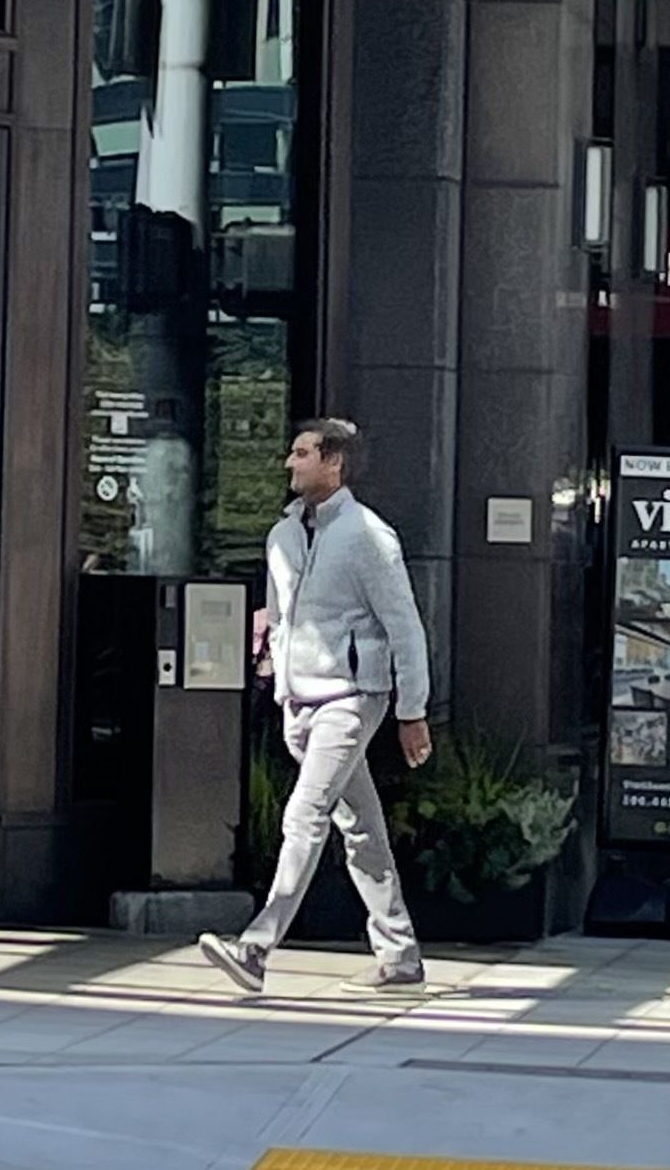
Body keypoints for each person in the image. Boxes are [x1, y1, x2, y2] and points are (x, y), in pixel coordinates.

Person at [198, 418, 431, 996]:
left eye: (302, 453)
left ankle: (256, 948)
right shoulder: (282, 536)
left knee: (304, 816)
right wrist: (277, 681)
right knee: (361, 829)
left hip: (351, 698)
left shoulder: (368, 535)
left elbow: (404, 625)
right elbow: (279, 618)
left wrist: (412, 709)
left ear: (335, 463)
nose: (289, 462)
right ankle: (400, 954)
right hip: (299, 701)